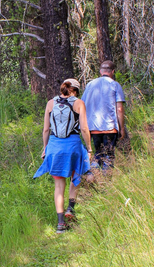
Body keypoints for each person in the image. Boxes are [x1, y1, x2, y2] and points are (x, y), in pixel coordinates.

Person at [34, 79, 92, 234]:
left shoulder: (50, 103)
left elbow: (46, 130)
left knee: (59, 186)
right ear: (76, 90)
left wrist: (45, 149)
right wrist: (89, 148)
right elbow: (84, 128)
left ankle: (60, 224)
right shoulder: (79, 103)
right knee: (76, 176)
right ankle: (70, 209)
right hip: (72, 146)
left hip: (54, 146)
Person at [82, 60, 126, 170]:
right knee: (108, 156)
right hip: (110, 127)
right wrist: (122, 128)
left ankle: (92, 177)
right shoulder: (115, 85)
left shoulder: (90, 85)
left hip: (93, 128)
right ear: (113, 71)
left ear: (101, 71)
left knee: (98, 154)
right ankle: (106, 183)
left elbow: (82, 106)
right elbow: (119, 109)